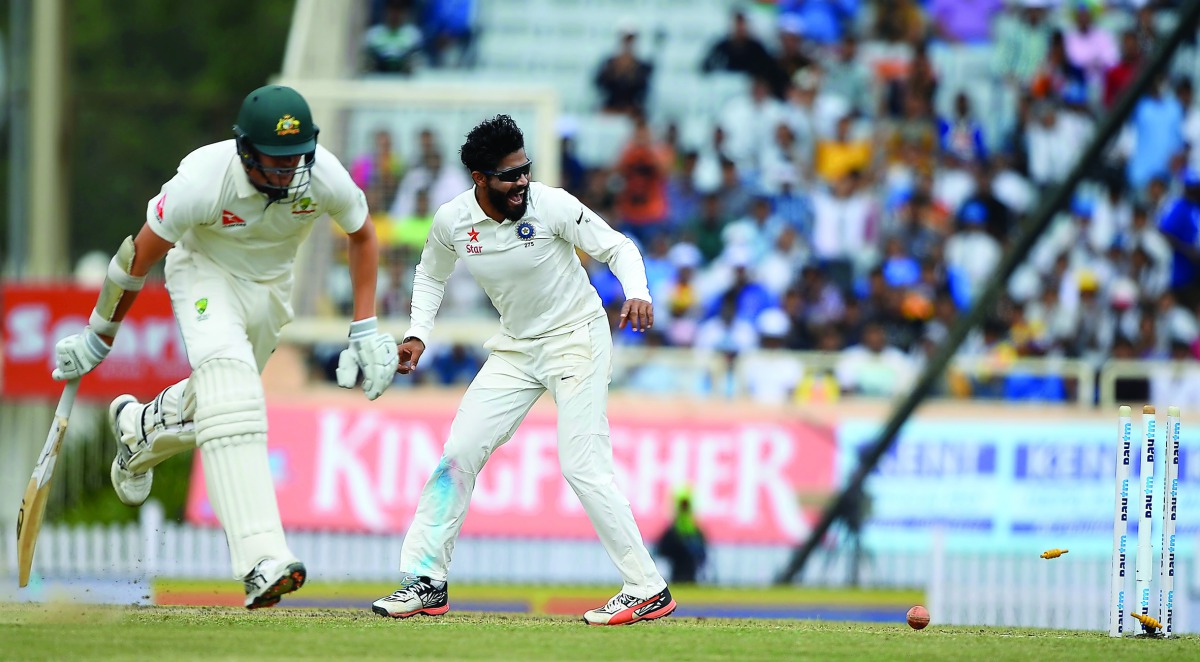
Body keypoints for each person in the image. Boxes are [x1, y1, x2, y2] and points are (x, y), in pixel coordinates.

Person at [49, 85, 398, 609]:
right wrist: (99, 334)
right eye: (274, 161)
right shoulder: (203, 180)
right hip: (205, 275)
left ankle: (137, 430)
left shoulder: (322, 173)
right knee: (234, 397)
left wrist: (365, 328)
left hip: (271, 290)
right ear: (245, 151)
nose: (286, 172)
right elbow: (136, 256)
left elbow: (363, 234)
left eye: (295, 160)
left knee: (218, 402)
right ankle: (262, 560)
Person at [371, 115, 675, 626]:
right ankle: (426, 581)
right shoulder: (453, 221)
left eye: (525, 170)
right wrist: (418, 331)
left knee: (581, 464)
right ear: (480, 179)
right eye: (509, 176)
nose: (522, 183)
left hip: (577, 337)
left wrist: (638, 292)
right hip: (515, 347)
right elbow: (429, 275)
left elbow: (618, 246)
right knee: (458, 455)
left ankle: (646, 587)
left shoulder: (552, 204)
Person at [655, 488, 708, 584]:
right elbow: (661, 556)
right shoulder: (672, 533)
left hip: (692, 578)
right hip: (675, 577)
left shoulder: (696, 532)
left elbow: (702, 556)